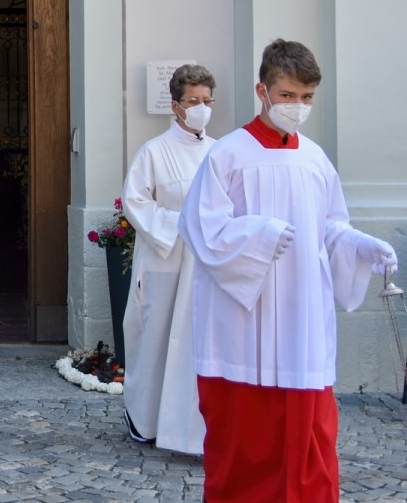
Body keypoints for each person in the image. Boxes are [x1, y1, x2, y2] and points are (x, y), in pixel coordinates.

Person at [179, 39, 397, 502]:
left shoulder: (314, 158)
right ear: (263, 90)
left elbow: (330, 227)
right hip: (243, 321)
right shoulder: (229, 155)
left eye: (306, 97)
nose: (297, 107)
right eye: (287, 95)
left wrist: (362, 245)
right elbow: (202, 229)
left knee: (309, 435)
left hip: (301, 320)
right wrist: (259, 235)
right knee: (246, 439)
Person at [120, 63, 215, 454]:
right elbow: (136, 202)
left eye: (206, 101)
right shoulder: (154, 152)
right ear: (175, 105)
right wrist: (183, 225)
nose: (200, 108)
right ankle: (144, 419)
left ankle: (187, 426)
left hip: (203, 266)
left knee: (192, 345)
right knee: (155, 340)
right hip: (164, 261)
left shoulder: (218, 151)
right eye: (192, 101)